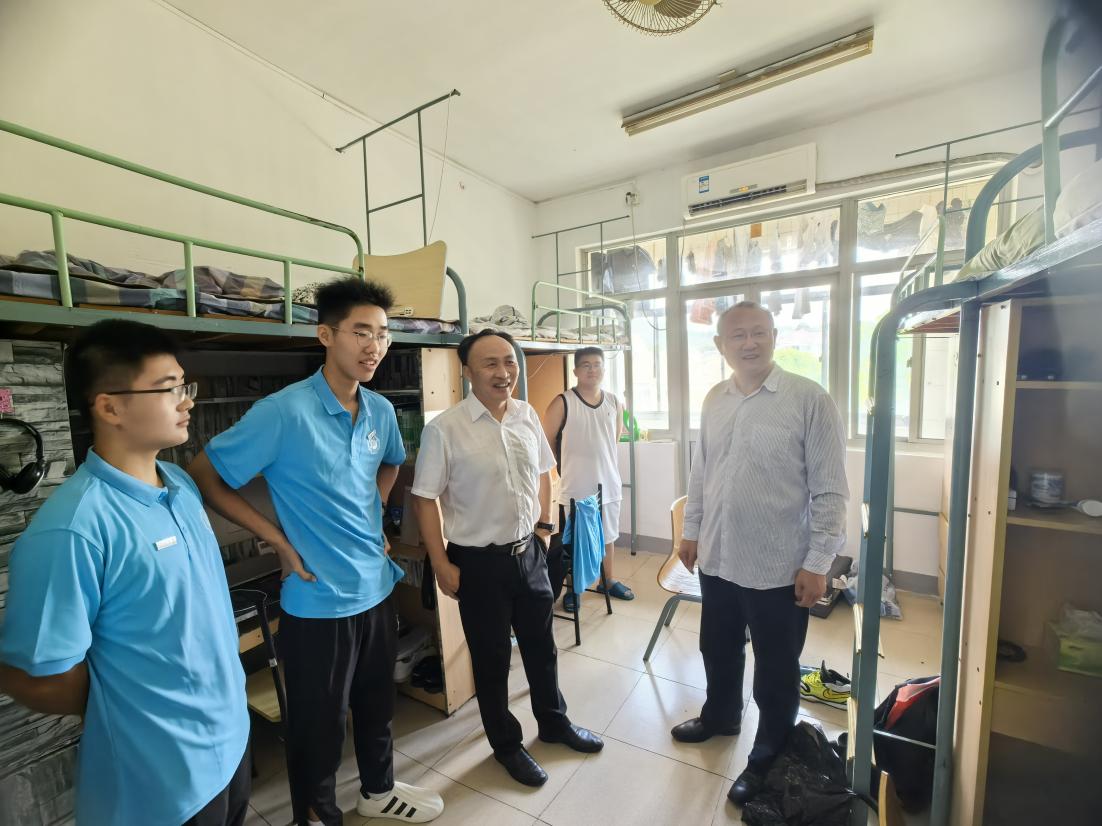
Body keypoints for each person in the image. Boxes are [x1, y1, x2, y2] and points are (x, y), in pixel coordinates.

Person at [188, 278, 443, 826]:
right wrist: (278, 539)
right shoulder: (283, 412)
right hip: (317, 601)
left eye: (383, 335)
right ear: (326, 335)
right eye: (361, 332)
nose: (375, 346)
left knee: (377, 706)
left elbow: (391, 462)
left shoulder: (378, 410)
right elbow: (205, 475)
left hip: (377, 588)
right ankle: (315, 815)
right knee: (318, 726)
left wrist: (375, 511)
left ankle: (378, 792)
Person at [0, 320, 251, 825]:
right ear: (110, 407)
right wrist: (130, 706)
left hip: (230, 741)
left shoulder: (178, 483)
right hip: (159, 783)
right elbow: (41, 677)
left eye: (184, 385)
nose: (187, 402)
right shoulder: (73, 529)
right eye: (168, 388)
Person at [672, 301, 848, 807]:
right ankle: (721, 716)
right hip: (719, 558)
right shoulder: (714, 399)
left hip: (778, 567)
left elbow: (830, 490)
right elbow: (702, 473)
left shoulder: (809, 399)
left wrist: (818, 563)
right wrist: (691, 531)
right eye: (737, 335)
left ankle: (768, 754)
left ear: (774, 336)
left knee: (775, 668)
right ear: (720, 345)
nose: (749, 343)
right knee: (717, 648)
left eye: (758, 333)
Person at [410, 329, 603, 788]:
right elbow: (423, 499)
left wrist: (544, 527)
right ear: (467, 371)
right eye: (491, 363)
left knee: (541, 647)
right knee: (492, 659)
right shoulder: (445, 429)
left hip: (528, 551)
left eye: (510, 361)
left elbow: (545, 472)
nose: (504, 372)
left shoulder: (526, 414)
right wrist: (440, 563)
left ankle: (553, 722)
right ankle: (506, 745)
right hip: (477, 563)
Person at [542, 346, 633, 611]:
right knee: (575, 541)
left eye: (597, 364)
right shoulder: (563, 402)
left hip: (608, 482)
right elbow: (546, 442)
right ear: (576, 370)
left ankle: (607, 580)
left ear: (604, 368)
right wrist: (561, 468)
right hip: (576, 485)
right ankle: (575, 589)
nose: (592, 370)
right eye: (586, 365)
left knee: (608, 536)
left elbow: (613, 440)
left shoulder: (614, 402)